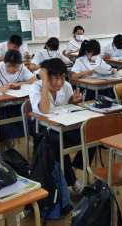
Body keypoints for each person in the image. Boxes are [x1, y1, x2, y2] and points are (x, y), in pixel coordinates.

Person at [29, 58, 83, 191]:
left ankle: (76, 166)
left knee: (90, 133)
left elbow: (67, 106)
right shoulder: (36, 87)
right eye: (55, 78)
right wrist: (44, 82)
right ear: (47, 77)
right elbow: (45, 110)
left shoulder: (66, 86)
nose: (59, 82)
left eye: (62, 77)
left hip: (64, 126)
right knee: (55, 141)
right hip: (42, 128)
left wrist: (73, 101)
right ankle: (72, 180)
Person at [0, 50, 36, 142]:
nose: (13, 69)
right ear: (4, 63)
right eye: (9, 66)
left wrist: (19, 84)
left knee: (28, 114)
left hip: (16, 102)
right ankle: (3, 142)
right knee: (4, 125)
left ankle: (23, 136)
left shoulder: (21, 67)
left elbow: (33, 79)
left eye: (16, 67)